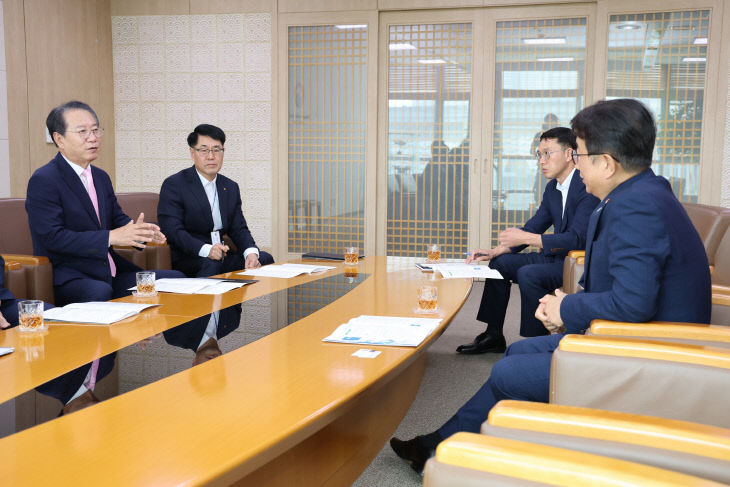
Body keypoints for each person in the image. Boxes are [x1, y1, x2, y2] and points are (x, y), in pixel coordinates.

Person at [390, 98, 711, 474]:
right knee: (515, 356)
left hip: (648, 355)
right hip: (632, 337)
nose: (576, 162)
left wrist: (566, 309)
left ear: (606, 163)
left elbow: (634, 304)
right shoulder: (642, 193)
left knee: (508, 374)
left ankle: (460, 454)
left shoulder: (634, 207)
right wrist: (570, 307)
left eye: (581, 154)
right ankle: (443, 445)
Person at [25, 100, 184, 306]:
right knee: (100, 291)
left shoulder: (100, 177)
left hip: (110, 272)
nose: (93, 138)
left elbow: (117, 219)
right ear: (59, 139)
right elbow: (52, 238)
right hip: (71, 277)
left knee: (175, 280)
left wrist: (140, 232)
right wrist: (110, 237)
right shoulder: (44, 179)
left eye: (95, 130)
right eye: (82, 132)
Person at [457, 127, 598, 354]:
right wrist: (495, 251)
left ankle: (537, 343)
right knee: (499, 265)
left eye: (547, 154)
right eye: (539, 155)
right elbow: (535, 226)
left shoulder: (586, 186)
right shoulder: (553, 188)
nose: (541, 161)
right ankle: (493, 334)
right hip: (555, 257)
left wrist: (528, 238)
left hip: (577, 262)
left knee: (528, 274)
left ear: (570, 154)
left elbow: (577, 239)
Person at [157, 124, 274, 278]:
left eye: (216, 150)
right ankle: (206, 303)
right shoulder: (175, 184)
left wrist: (251, 253)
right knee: (211, 265)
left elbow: (239, 228)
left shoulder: (230, 186)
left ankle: (235, 302)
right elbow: (173, 231)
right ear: (193, 153)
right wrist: (207, 250)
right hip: (190, 256)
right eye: (204, 150)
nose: (211, 156)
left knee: (264, 258)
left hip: (222, 255)